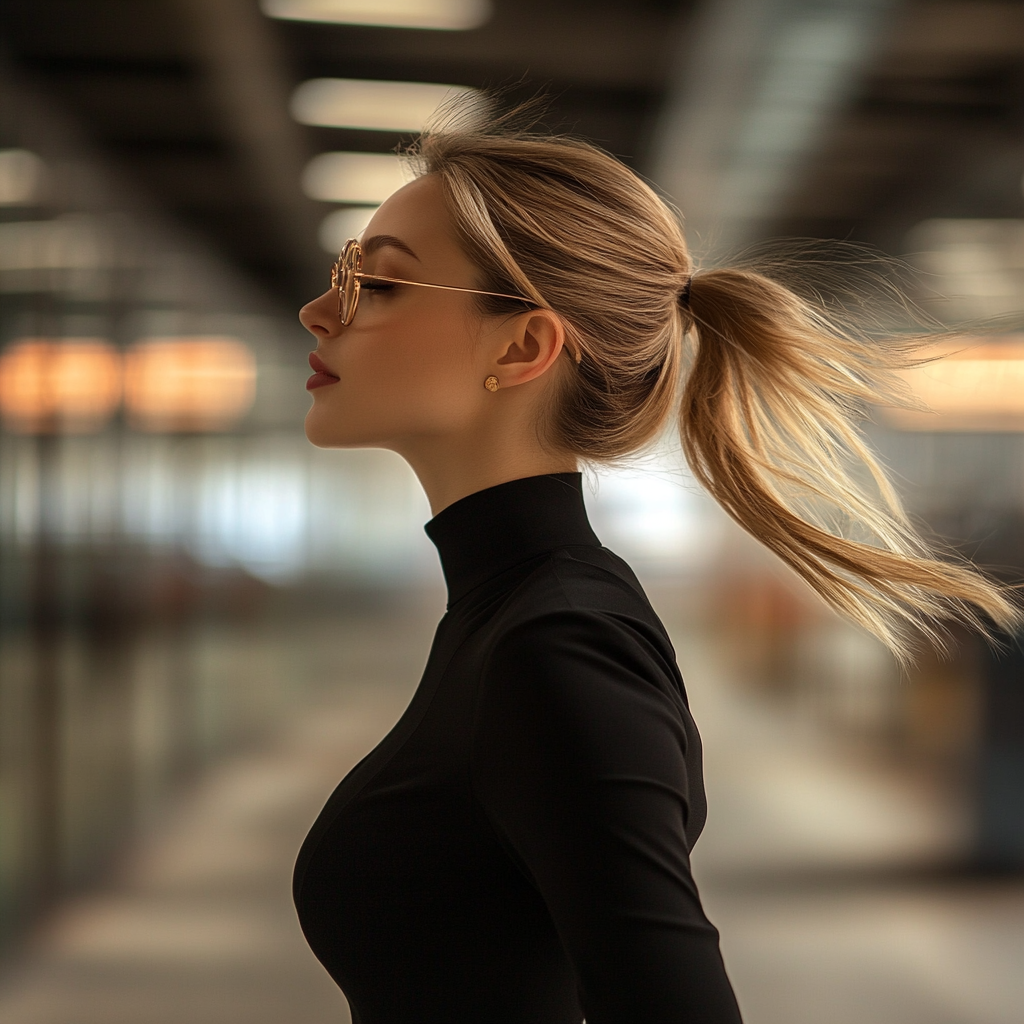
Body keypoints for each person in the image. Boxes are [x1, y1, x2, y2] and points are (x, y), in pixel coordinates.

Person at [292, 117, 1019, 1024]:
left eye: (381, 282)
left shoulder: (558, 643)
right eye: (341, 276)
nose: (322, 311)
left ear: (523, 348)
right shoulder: (511, 616)